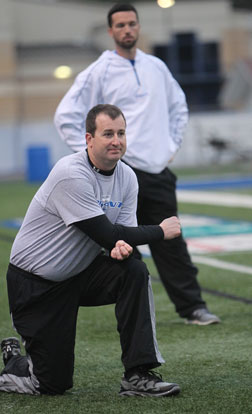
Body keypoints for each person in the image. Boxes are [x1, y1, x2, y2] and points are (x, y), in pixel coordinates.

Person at [0, 104, 182, 397]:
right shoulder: (71, 174)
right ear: (88, 139)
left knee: (133, 271)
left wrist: (122, 250)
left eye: (121, 133)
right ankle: (15, 363)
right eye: (108, 133)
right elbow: (107, 232)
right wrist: (160, 231)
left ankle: (138, 374)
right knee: (51, 384)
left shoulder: (128, 178)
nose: (116, 140)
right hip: (36, 284)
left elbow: (121, 239)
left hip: (81, 274)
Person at [54, 3, 220, 326]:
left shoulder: (156, 67)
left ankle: (193, 308)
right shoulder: (100, 70)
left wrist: (171, 146)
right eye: (120, 25)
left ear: (139, 27)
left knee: (170, 241)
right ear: (110, 31)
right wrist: (92, 154)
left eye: (132, 23)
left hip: (157, 172)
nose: (127, 29)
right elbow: (66, 114)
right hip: (119, 173)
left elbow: (179, 106)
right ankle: (135, 312)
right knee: (120, 243)